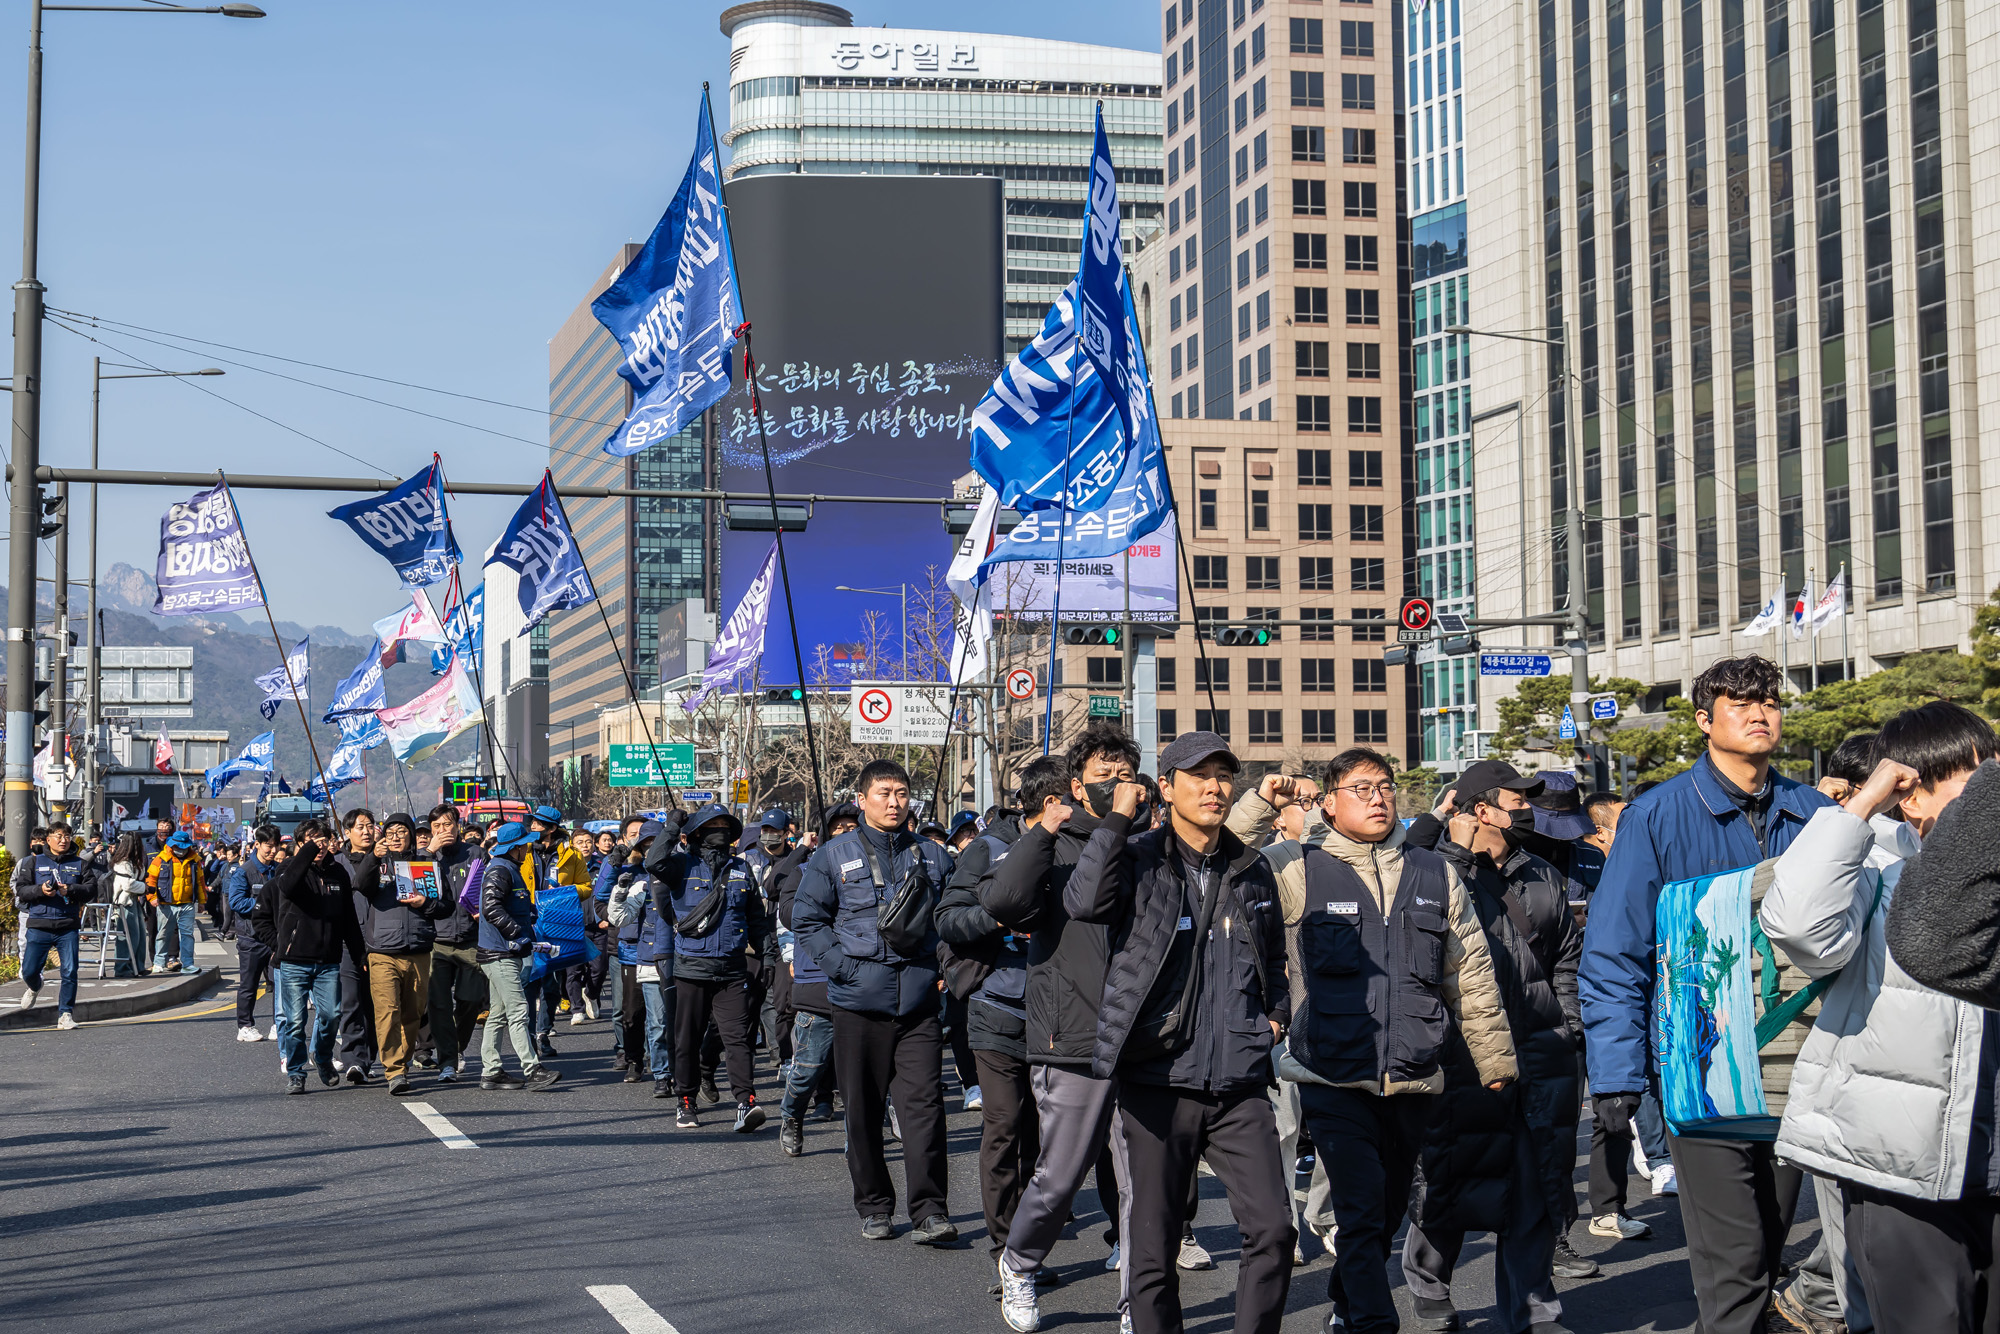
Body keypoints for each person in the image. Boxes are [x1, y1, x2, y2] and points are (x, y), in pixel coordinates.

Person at [1579, 655, 1834, 1334]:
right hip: (1702, 1065)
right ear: (1704, 719)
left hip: (1799, 1065)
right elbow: (1614, 950)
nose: (1759, 714)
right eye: (1740, 703)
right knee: (1735, 1266)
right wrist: (1616, 1075)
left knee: (1772, 1245)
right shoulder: (1657, 815)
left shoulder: (1814, 811)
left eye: (1771, 702)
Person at [1762, 703, 2000, 1334]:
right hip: (1899, 1161)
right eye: (1965, 782)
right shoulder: (1878, 864)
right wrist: (1859, 809)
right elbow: (1799, 927)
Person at [1062, 731, 1294, 1334]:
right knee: (1153, 1242)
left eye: (1223, 776)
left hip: (1239, 1081)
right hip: (1157, 1077)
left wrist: (1274, 1018)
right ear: (1165, 788)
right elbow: (1083, 901)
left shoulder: (1251, 867)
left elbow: (1273, 958)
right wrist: (1116, 819)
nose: (1216, 788)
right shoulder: (1137, 858)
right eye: (1199, 776)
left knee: (1273, 1229)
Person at [1281, 747, 1516, 1334]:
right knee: (1360, 1212)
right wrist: (1264, 802)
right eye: (1361, 788)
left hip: (1414, 1072)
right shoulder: (1297, 867)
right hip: (1332, 1073)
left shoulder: (1434, 872)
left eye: (1384, 787)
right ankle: (1372, 1323)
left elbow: (1470, 971)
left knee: (1385, 1213)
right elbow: (1226, 855)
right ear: (1328, 804)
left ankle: (1344, 1299)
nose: (1379, 797)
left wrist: (1494, 1058)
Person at [1399, 759, 1583, 1334]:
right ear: (1481, 810)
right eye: (1516, 799)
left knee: (1534, 1186)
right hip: (1459, 1057)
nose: (1528, 809)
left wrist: (1568, 1029)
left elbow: (1566, 961)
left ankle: (1532, 1310)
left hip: (1539, 1052)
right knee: (1448, 1180)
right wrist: (1454, 855)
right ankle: (1430, 1289)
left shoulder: (1539, 874)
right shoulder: (1433, 872)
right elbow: (1417, 946)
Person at [982, 725, 1142, 1331]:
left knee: (1140, 1183)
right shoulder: (1056, 843)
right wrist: (1047, 827)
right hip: (1072, 1034)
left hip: (1142, 1040)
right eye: (1106, 779)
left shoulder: (1145, 844)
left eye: (1127, 776)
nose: (1120, 789)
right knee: (1061, 1174)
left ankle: (1136, 1303)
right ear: (1076, 787)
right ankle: (1019, 1265)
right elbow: (1004, 902)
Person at [793, 759, 957, 1244]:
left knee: (925, 1108)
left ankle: (930, 1211)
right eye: (883, 792)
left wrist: (944, 968)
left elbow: (952, 917)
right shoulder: (831, 855)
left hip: (919, 1006)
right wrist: (842, 969)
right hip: (857, 1004)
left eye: (902, 793)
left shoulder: (933, 855)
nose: (894, 801)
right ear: (861, 799)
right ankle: (874, 1205)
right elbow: (807, 920)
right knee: (862, 1110)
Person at [1225, 771, 1338, 1263]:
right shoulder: (1274, 860)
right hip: (1287, 1018)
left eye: (1318, 800)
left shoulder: (1345, 856)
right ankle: (1284, 1225)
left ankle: (1326, 1216)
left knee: (1338, 1130)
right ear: (1280, 817)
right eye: (1301, 801)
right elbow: (1227, 850)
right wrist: (1263, 802)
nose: (1310, 808)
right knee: (1284, 1129)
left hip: (1341, 1019)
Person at [937, 759, 1036, 1282]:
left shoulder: (1080, 848)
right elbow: (949, 919)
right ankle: (1007, 1251)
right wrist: (997, 918)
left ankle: (1027, 1244)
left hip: (1059, 1015)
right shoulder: (987, 848)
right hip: (996, 1006)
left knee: (1041, 1140)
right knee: (1004, 1125)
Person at [661, 805, 777, 1131]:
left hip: (732, 969)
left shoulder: (741, 869)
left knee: (739, 1039)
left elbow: (757, 919)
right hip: (691, 970)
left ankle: (746, 1102)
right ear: (698, 831)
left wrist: (768, 957)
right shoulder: (681, 864)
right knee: (687, 1039)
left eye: (726, 825)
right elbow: (655, 862)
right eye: (714, 825)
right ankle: (686, 1100)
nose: (721, 830)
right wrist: (672, 828)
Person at [350, 813, 454, 1096]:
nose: (396, 836)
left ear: (411, 835)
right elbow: (360, 885)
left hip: (419, 949)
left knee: (412, 1013)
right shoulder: (377, 862)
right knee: (388, 1012)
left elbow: (446, 906)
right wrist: (373, 857)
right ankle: (394, 1070)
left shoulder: (426, 863)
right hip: (382, 951)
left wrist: (426, 903)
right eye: (391, 831)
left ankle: (404, 1062)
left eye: (402, 831)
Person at [259, 819, 363, 1094]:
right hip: (294, 961)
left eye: (324, 840)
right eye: (312, 840)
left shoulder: (338, 873)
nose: (319, 845)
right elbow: (289, 886)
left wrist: (358, 953)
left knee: (331, 1015)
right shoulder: (288, 869)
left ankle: (322, 1056)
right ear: (300, 844)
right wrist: (280, 945)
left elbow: (349, 918)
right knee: (294, 1021)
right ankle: (295, 1071)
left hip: (328, 960)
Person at [778, 802, 855, 1152]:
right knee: (808, 1067)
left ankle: (865, 1131)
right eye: (838, 827)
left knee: (866, 1070)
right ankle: (792, 1115)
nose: (847, 833)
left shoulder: (876, 869)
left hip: (865, 982)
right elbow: (791, 914)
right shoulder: (805, 870)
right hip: (817, 983)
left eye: (854, 826)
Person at [475, 821, 560, 1093]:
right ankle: (532, 1069)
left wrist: (529, 914)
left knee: (499, 1014)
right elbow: (490, 907)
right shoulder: (501, 869)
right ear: (515, 848)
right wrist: (516, 932)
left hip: (501, 951)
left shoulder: (507, 868)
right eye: (525, 844)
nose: (528, 848)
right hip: (500, 951)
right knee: (519, 1010)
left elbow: (507, 904)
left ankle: (491, 1071)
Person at [607, 820, 675, 1098]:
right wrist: (621, 890)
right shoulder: (640, 881)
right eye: (645, 845)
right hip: (649, 960)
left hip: (685, 959)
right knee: (657, 1023)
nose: (651, 850)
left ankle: (690, 1072)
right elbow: (618, 917)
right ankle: (662, 1074)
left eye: (656, 844)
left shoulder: (684, 871)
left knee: (683, 1022)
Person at [12, 820, 102, 1029]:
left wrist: (70, 889)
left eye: (67, 836)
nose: (63, 840)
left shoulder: (80, 864)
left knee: (70, 971)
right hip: (39, 924)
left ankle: (65, 1014)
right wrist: (40, 890)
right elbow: (21, 890)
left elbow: (91, 890)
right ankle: (35, 987)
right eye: (59, 836)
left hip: (67, 925)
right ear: (49, 839)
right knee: (29, 971)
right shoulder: (33, 862)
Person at [424, 804, 486, 1085]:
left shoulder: (475, 854)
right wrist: (430, 854)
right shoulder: (426, 857)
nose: (442, 831)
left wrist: (483, 910)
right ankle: (447, 1061)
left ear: (458, 826)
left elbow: (488, 889)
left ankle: (456, 1047)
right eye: (436, 827)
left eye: (446, 825)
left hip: (470, 938)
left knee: (471, 999)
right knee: (438, 1003)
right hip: (436, 940)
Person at [331, 808, 381, 1083]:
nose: (366, 831)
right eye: (359, 827)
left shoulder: (387, 860)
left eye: (370, 825)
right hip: (348, 943)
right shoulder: (336, 863)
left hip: (382, 942)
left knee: (376, 1004)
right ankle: (353, 1059)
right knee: (350, 1002)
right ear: (347, 832)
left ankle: (370, 1056)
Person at [227, 825, 284, 1042]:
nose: (272, 851)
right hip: (250, 938)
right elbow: (236, 902)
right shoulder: (244, 872)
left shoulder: (277, 870)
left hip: (274, 937)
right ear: (257, 844)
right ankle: (245, 1026)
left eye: (275, 846)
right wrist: (265, 903)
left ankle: (278, 1024)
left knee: (278, 983)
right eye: (268, 846)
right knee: (248, 984)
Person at [145, 830, 205, 975]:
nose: (181, 850)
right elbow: (150, 879)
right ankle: (158, 963)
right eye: (178, 847)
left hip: (187, 904)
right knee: (163, 934)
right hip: (166, 904)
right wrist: (152, 898)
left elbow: (200, 882)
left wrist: (202, 901)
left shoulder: (195, 860)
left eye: (183, 847)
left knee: (187, 935)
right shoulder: (160, 858)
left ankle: (188, 964)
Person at [106, 831, 150, 979]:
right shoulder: (123, 863)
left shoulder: (130, 861)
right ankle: (123, 968)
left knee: (139, 936)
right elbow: (127, 884)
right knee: (129, 937)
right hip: (125, 903)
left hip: (133, 901)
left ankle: (137, 966)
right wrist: (146, 888)